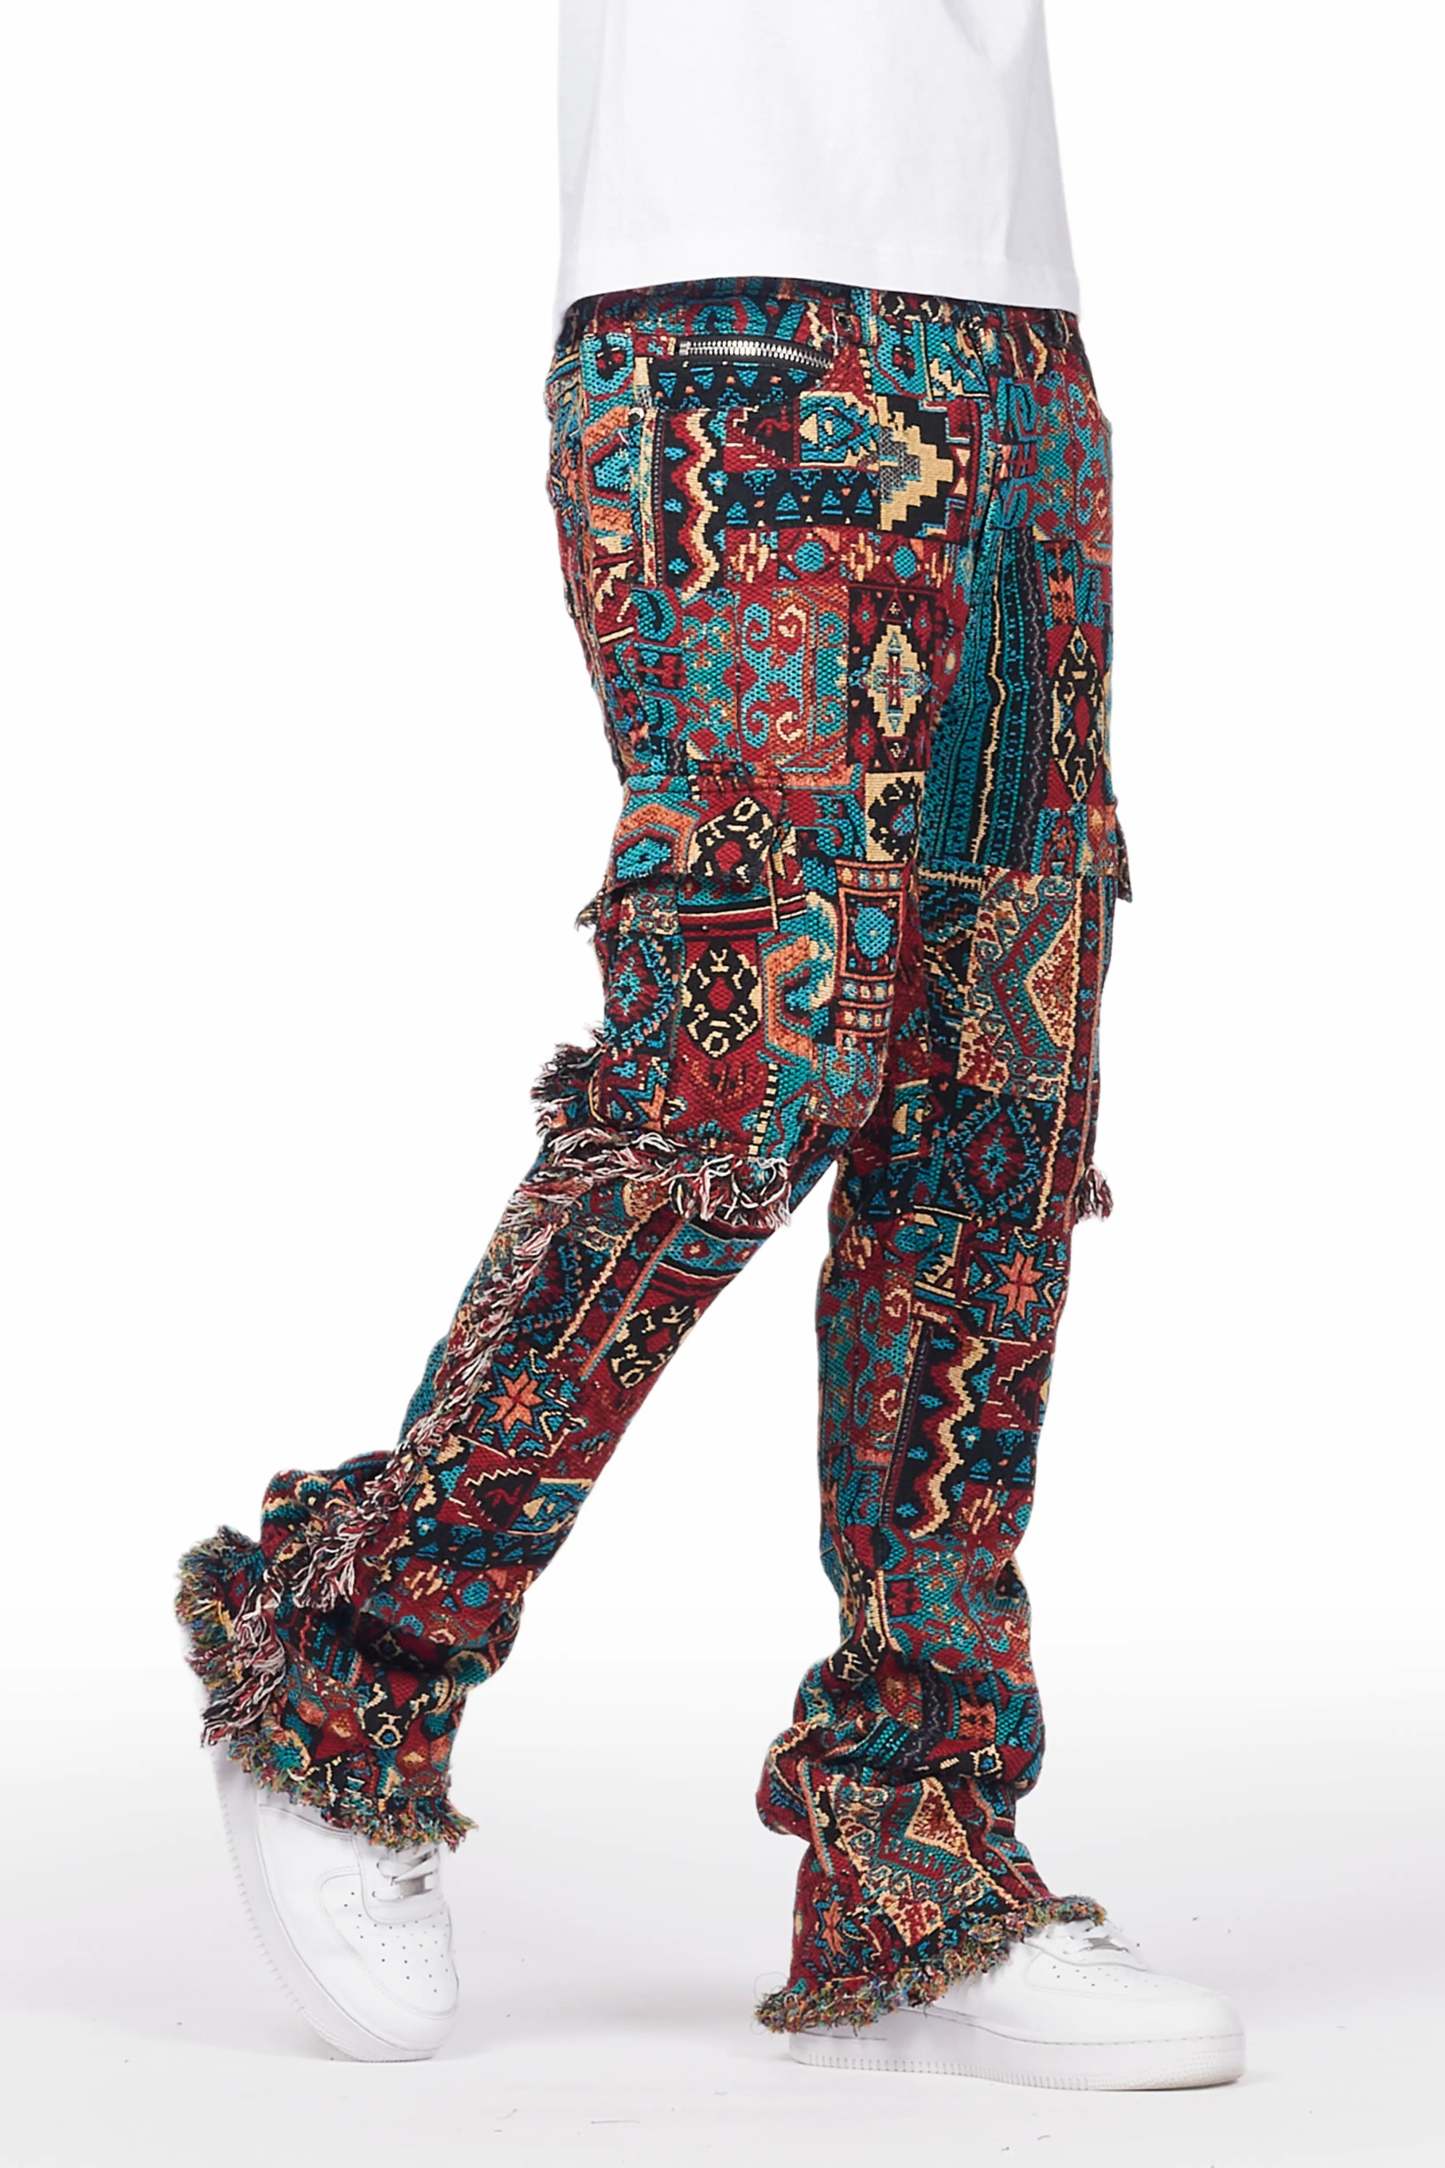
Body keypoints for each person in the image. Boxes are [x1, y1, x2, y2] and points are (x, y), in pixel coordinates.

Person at [178, 0, 1244, 2087]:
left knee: (996, 1095)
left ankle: (919, 1847)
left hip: (1017, 338)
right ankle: (349, 1659)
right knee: (745, 1062)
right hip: (725, 319)